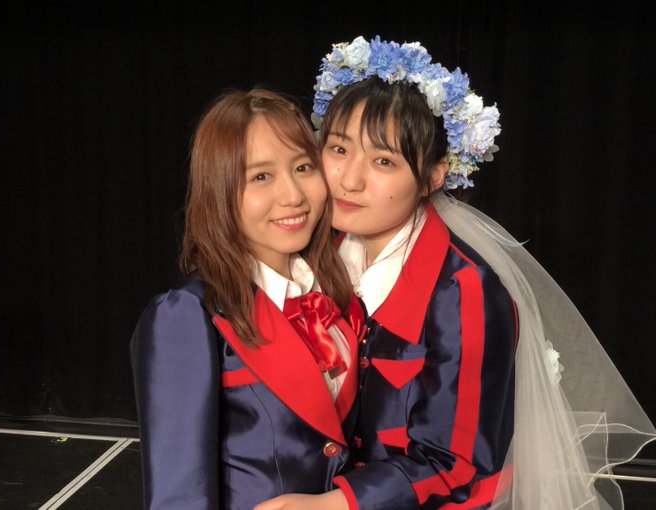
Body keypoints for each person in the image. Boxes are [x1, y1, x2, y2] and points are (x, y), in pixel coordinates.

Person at [256, 36, 656, 510]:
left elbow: (456, 463)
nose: (350, 179)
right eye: (339, 149)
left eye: (384, 161)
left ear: (434, 175)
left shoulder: (464, 292)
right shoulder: (310, 252)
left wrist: (334, 504)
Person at [130, 88, 365, 509]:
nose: (293, 195)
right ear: (219, 189)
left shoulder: (335, 293)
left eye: (303, 167)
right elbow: (178, 497)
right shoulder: (185, 315)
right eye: (260, 177)